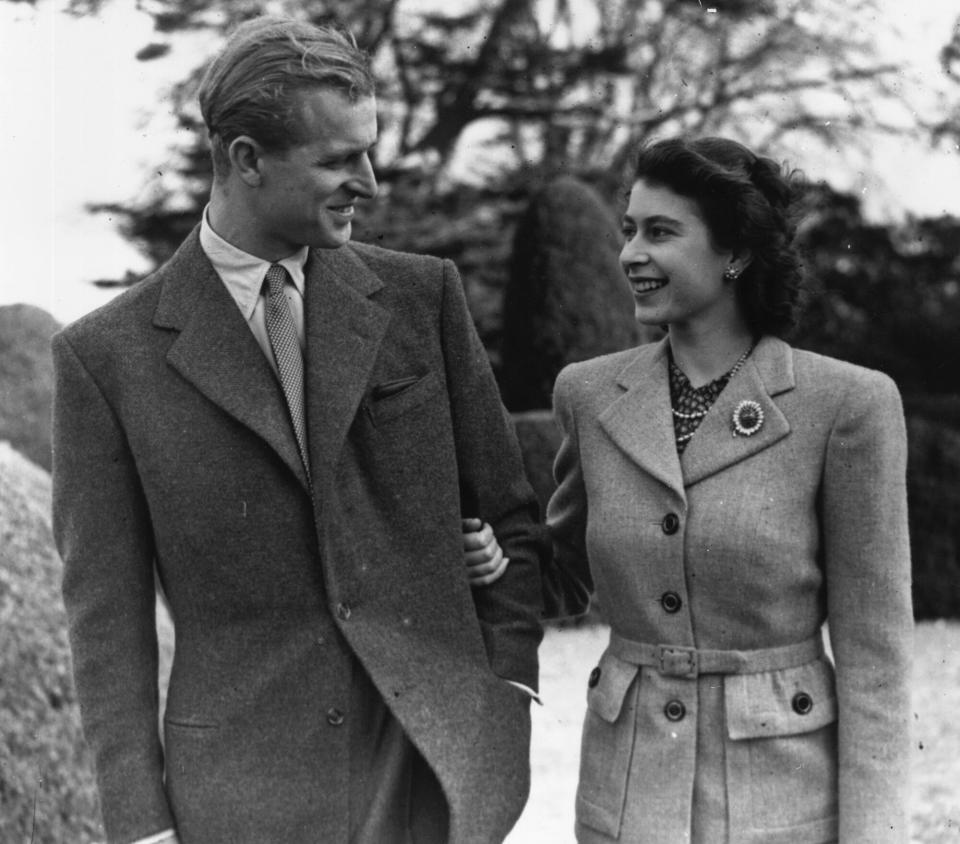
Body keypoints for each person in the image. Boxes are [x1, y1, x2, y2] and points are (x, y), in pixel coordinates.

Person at [52, 16, 546, 844]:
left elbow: (513, 520)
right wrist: (142, 827)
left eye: (370, 150)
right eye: (339, 160)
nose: (372, 183)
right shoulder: (106, 358)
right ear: (245, 159)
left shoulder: (423, 298)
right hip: (241, 798)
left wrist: (508, 694)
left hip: (431, 777)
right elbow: (106, 623)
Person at [476, 137, 913, 842]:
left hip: (783, 804)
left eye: (660, 232)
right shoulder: (589, 395)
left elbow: (876, 664)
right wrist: (497, 563)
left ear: (735, 252)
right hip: (627, 797)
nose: (630, 254)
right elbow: (562, 578)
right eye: (628, 231)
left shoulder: (847, 406)